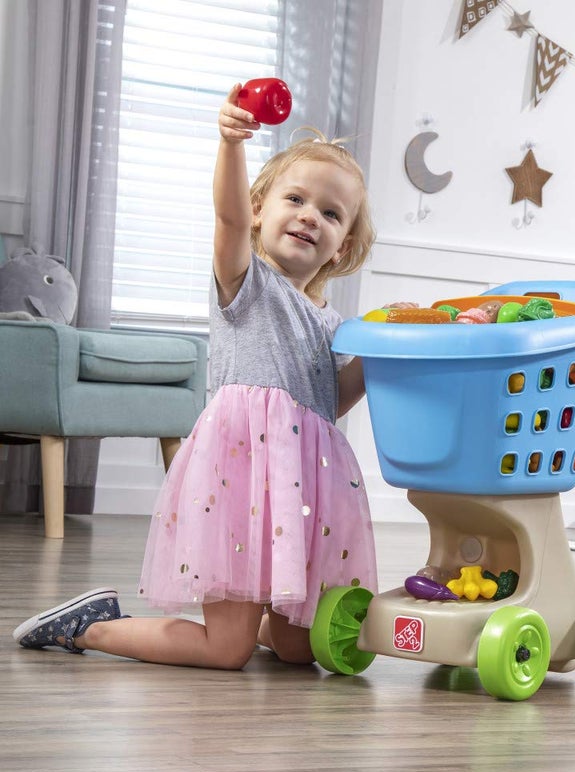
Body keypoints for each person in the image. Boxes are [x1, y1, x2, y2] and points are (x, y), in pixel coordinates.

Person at [12, 83, 414, 670]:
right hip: (240, 483)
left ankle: (253, 623)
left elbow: (330, 403)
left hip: (300, 493)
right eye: (295, 199)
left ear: (341, 245)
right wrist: (231, 143)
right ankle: (92, 627)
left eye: (330, 214)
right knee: (226, 651)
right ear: (260, 209)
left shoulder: (333, 323)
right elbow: (227, 216)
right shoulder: (246, 282)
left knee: (299, 649)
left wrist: (383, 348)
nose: (310, 216)